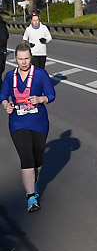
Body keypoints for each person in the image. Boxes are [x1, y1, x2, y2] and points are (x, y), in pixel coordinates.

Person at [0, 42, 55, 212]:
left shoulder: (40, 74)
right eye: (20, 59)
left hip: (39, 122)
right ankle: (31, 197)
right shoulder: (10, 76)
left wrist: (40, 99)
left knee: (37, 159)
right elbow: (3, 95)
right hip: (18, 122)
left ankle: (33, 183)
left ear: (31, 57)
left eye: (26, 58)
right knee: (27, 158)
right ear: (15, 59)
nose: (23, 62)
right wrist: (6, 105)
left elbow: (51, 95)